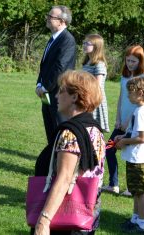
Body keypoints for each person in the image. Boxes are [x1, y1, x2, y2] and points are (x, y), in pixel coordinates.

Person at [33, 70, 106, 235]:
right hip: (85, 217)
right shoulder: (94, 130)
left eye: (61, 91)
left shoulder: (70, 134)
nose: (57, 96)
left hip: (63, 218)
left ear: (75, 97)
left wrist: (44, 220)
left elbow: (64, 178)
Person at [102, 45, 144, 195]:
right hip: (120, 124)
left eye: (133, 61)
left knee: (131, 156)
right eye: (128, 60)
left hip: (133, 126)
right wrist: (117, 119)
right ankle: (113, 184)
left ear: (140, 62)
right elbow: (121, 99)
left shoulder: (143, 79)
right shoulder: (124, 77)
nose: (130, 64)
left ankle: (131, 188)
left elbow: (140, 105)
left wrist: (127, 123)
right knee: (108, 149)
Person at [114, 76, 144, 233]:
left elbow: (142, 137)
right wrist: (122, 137)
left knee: (140, 192)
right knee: (135, 191)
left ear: (141, 92)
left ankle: (141, 224)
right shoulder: (138, 110)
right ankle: (134, 219)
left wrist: (124, 143)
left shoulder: (142, 111)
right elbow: (133, 132)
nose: (128, 95)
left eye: (130, 92)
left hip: (138, 159)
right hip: (132, 157)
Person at [35, 5, 76, 144]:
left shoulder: (67, 40)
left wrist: (45, 86)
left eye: (51, 17)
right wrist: (39, 83)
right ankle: (51, 160)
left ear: (62, 21)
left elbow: (60, 67)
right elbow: (45, 65)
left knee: (59, 128)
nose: (47, 18)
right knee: (50, 127)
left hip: (58, 93)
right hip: (46, 93)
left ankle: (61, 162)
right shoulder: (53, 38)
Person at [82, 34, 110, 133]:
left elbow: (97, 86)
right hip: (85, 98)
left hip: (94, 100)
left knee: (93, 130)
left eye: (87, 43)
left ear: (96, 47)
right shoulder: (86, 63)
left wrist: (89, 100)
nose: (84, 45)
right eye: (84, 43)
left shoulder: (99, 64)